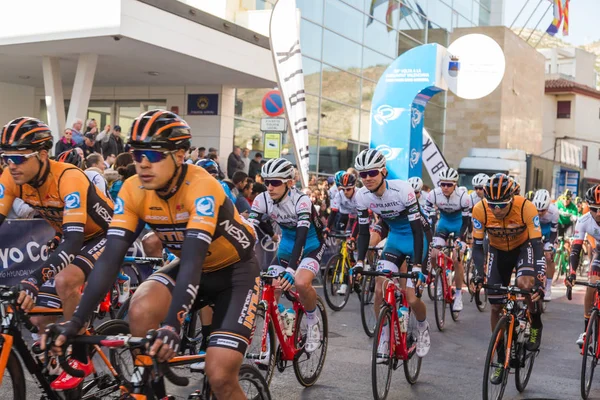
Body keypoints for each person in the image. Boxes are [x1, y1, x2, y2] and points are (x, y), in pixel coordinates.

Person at [42, 110, 259, 400]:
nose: (143, 163)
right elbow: (110, 259)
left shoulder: (203, 187)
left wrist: (172, 324)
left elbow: (194, 259)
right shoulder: (133, 190)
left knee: (219, 375)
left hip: (235, 273)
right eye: (136, 153)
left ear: (180, 154)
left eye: (154, 155)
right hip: (192, 268)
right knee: (140, 308)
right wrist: (76, 320)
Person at [0, 117, 114, 390]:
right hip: (69, 236)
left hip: (107, 235)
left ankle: (80, 356)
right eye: (5, 158)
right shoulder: (12, 176)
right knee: (41, 318)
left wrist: (35, 278)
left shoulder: (69, 177)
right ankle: (60, 370)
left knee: (65, 281)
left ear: (41, 155)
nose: (11, 165)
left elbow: (75, 241)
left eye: (18, 158)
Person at [352, 149, 430, 359]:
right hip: (394, 240)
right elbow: (362, 231)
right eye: (363, 174)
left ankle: (422, 327)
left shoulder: (402, 190)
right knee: (379, 289)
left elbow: (417, 230)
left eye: (372, 173)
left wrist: (417, 266)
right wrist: (359, 261)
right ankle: (384, 335)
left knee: (412, 298)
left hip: (416, 239)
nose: (367, 178)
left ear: (384, 172)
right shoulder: (362, 196)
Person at [470, 173, 545, 384]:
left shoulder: (526, 207)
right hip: (497, 250)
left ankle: (536, 323)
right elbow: (476, 247)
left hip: (524, 248)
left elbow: (537, 246)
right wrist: (477, 273)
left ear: (511, 198)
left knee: (525, 285)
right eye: (492, 204)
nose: (496, 209)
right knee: (495, 307)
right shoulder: (479, 210)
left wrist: (539, 280)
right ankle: (500, 355)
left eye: (502, 205)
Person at [248, 158, 325, 354]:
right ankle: (281, 321)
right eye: (267, 182)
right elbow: (250, 231)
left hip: (311, 244)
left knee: (299, 282)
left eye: (275, 182)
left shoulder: (301, 201)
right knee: (270, 287)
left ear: (289, 183)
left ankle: (312, 321)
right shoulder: (262, 199)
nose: (270, 187)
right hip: (287, 245)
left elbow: (301, 238)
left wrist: (291, 269)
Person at [425, 168, 471, 312]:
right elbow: (430, 219)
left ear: (455, 184)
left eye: (449, 185)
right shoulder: (433, 194)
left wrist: (459, 238)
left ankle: (458, 294)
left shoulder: (464, 197)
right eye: (442, 184)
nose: (445, 187)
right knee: (433, 254)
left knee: (457, 259)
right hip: (443, 223)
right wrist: (432, 236)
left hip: (459, 225)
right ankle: (440, 278)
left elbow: (466, 222)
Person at [566, 185, 600, 348]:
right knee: (592, 285)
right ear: (588, 206)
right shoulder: (584, 220)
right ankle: (587, 330)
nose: (599, 213)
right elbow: (576, 249)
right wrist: (572, 273)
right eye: (594, 209)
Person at [532, 189, 558, 300]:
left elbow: (553, 233)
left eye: (542, 210)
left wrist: (550, 246)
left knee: (549, 257)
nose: (539, 213)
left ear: (548, 207)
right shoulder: (530, 207)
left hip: (549, 233)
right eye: (537, 210)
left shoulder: (554, 211)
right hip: (535, 229)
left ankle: (548, 286)